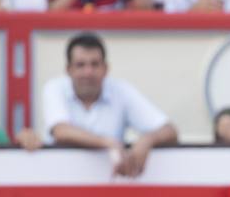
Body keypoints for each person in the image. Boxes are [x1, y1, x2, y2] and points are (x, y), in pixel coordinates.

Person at [40, 33, 177, 178]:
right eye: (80, 65)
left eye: (94, 64)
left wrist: (147, 140)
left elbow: (170, 130)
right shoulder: (54, 88)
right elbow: (61, 132)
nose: (88, 72)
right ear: (68, 70)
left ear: (106, 68)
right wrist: (108, 143)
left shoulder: (121, 91)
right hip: (60, 182)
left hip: (109, 188)